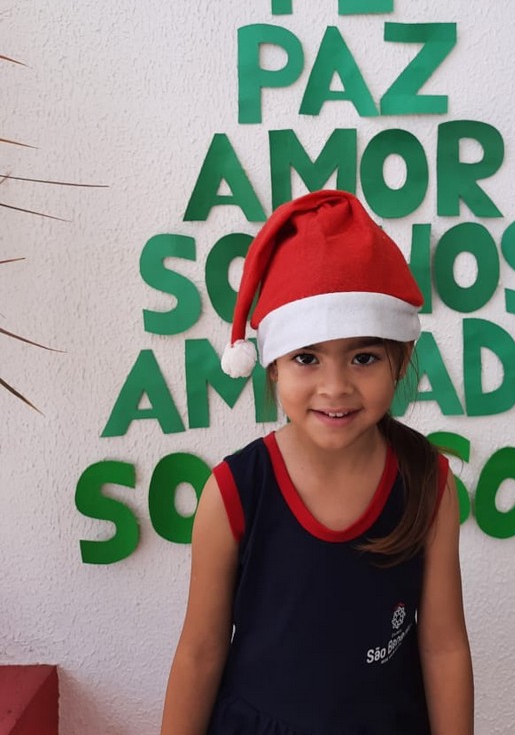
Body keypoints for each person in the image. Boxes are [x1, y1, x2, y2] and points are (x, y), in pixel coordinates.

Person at [160, 189, 474, 735]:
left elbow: (444, 648)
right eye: (307, 357)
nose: (336, 386)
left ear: (400, 361)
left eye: (364, 357)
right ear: (273, 366)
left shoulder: (429, 483)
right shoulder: (234, 491)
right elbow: (200, 652)